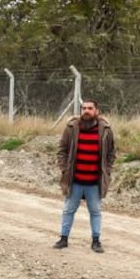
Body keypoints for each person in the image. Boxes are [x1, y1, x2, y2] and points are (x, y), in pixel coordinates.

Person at [53, 99, 116, 253]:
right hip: (74, 180)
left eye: (90, 108)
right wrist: (65, 169)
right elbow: (62, 150)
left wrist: (106, 171)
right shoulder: (71, 128)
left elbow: (111, 153)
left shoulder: (105, 130)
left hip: (94, 182)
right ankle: (63, 239)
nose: (86, 111)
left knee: (95, 212)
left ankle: (96, 241)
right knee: (68, 210)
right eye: (84, 108)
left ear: (97, 111)